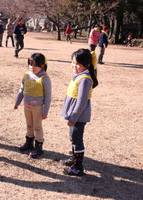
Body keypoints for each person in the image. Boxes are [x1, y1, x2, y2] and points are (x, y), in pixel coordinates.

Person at [60, 48, 98, 176]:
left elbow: (81, 102)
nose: (74, 66)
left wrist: (73, 118)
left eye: (78, 64)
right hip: (74, 115)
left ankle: (78, 167)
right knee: (73, 137)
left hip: (78, 116)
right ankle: (73, 158)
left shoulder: (85, 79)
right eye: (73, 62)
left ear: (87, 65)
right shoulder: (80, 76)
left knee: (77, 140)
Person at [14, 53, 51, 158]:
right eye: (30, 65)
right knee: (29, 125)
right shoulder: (26, 75)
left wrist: (45, 111)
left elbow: (48, 97)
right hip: (27, 106)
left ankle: (39, 147)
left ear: (42, 65)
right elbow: (22, 90)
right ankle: (29, 143)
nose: (32, 67)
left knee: (37, 127)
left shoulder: (45, 78)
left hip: (37, 108)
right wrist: (17, 102)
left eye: (35, 65)